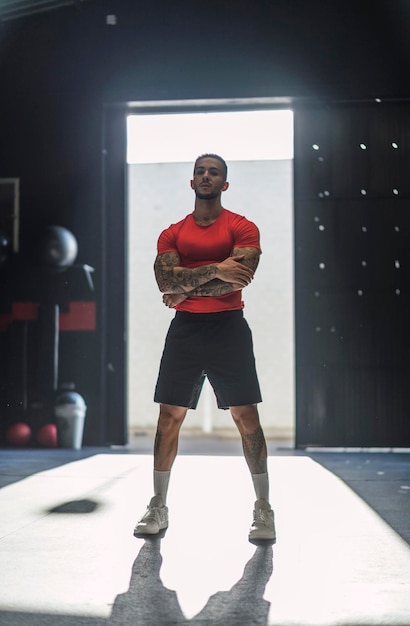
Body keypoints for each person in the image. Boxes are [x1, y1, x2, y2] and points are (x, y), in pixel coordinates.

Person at [134, 153, 275, 542]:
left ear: (224, 184)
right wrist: (214, 268)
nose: (206, 176)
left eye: (214, 172)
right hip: (185, 331)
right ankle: (157, 506)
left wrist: (184, 285)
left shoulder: (243, 227)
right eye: (200, 172)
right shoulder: (172, 233)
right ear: (192, 183)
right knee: (168, 418)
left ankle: (263, 509)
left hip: (229, 328)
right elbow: (165, 282)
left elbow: (238, 280)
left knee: (247, 418)